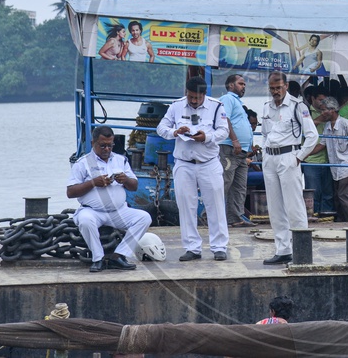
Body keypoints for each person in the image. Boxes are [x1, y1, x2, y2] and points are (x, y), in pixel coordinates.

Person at [157, 76, 230, 261]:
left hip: (209, 162)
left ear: (204, 94)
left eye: (197, 98)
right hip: (184, 163)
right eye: (191, 97)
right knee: (186, 205)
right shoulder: (176, 106)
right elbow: (161, 127)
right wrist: (175, 132)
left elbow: (224, 131)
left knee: (215, 204)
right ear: (186, 93)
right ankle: (192, 248)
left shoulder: (216, 106)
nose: (194, 101)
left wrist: (206, 136)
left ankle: (219, 246)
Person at [67, 126, 151, 272]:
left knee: (144, 218)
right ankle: (97, 258)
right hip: (93, 211)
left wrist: (125, 180)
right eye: (102, 146)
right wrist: (93, 183)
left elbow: (134, 186)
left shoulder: (121, 160)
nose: (107, 149)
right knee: (85, 220)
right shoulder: (82, 163)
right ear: (93, 143)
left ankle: (118, 256)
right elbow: (70, 192)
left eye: (110, 145)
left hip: (118, 211)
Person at [261, 71, 319, 265]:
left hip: (289, 157)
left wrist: (299, 157)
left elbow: (312, 136)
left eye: (279, 88)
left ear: (286, 86)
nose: (276, 92)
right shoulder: (267, 107)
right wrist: (264, 154)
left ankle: (302, 250)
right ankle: (283, 249)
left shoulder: (298, 106)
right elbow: (265, 133)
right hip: (270, 157)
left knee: (294, 206)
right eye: (272, 88)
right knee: (275, 207)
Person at [219, 74, 256, 228]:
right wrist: (235, 140)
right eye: (241, 84)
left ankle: (235, 217)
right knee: (224, 183)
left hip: (241, 152)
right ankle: (208, 215)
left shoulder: (238, 102)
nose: (244, 87)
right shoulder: (227, 99)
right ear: (231, 85)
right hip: (229, 148)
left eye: (244, 84)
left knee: (240, 186)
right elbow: (224, 119)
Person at [310, 97, 348, 222]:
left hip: (346, 167)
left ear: (332, 110)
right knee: (337, 197)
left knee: (344, 197)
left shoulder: (346, 124)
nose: (322, 113)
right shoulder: (328, 126)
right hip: (334, 168)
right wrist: (305, 154)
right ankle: (341, 221)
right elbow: (322, 144)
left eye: (324, 110)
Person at [302, 85, 334, 216]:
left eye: (325, 100)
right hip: (311, 160)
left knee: (328, 194)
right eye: (320, 100)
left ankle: (327, 218)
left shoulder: (329, 112)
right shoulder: (305, 111)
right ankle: (312, 218)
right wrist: (321, 119)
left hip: (327, 159)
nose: (323, 103)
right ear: (312, 99)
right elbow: (303, 128)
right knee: (313, 194)